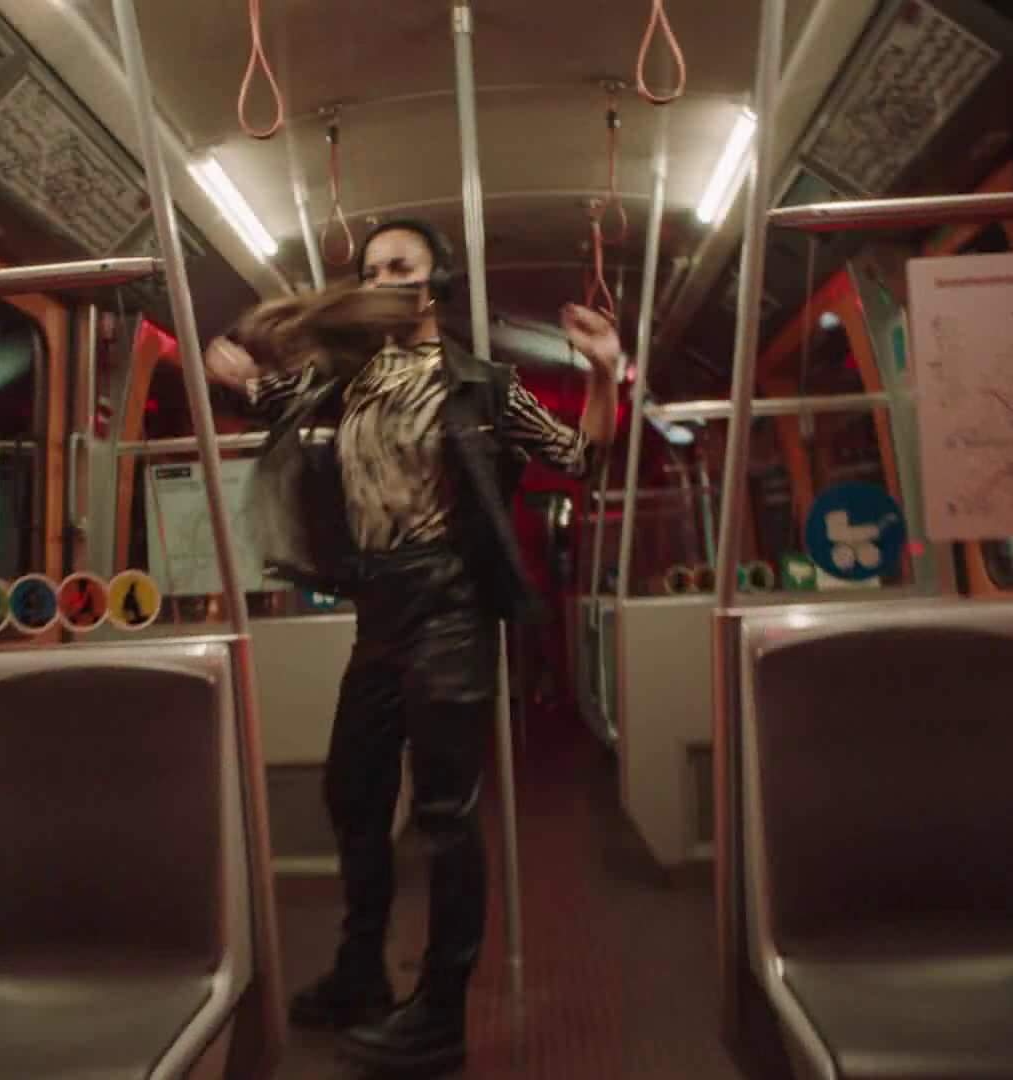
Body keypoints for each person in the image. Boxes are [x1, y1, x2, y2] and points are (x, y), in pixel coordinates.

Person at [196, 219, 620, 1070]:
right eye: (371, 269)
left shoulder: (483, 386)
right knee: (353, 791)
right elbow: (260, 392)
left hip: (450, 605)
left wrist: (605, 371)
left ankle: (440, 1009)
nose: (382, 279)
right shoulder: (342, 378)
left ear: (437, 284)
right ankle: (362, 971)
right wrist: (231, 369)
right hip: (378, 607)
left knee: (442, 813)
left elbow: (580, 458)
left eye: (400, 266)